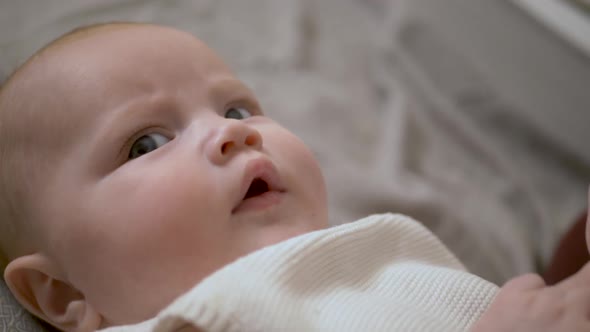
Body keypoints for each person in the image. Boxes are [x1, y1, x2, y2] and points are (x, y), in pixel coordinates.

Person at [0, 22, 589, 332]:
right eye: (146, 142)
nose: (235, 132)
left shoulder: (354, 265)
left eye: (235, 109)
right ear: (65, 294)